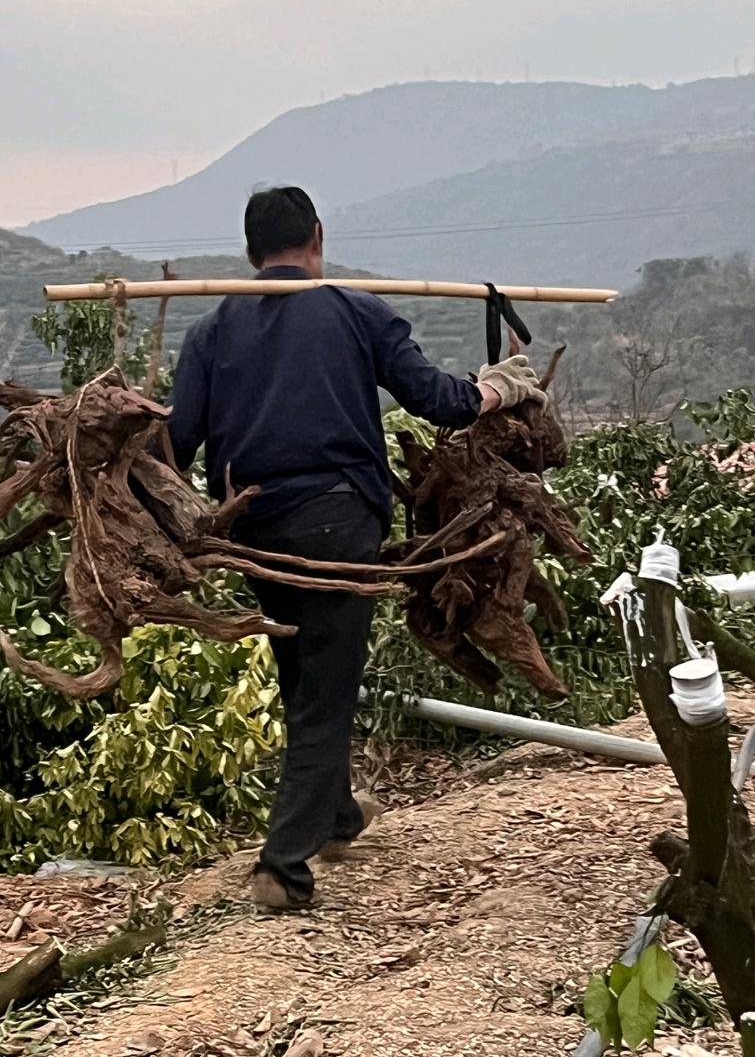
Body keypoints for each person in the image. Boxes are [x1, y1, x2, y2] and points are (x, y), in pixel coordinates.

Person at [167, 186, 541, 908]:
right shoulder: (356, 309)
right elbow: (440, 401)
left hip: (252, 530)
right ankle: (283, 864)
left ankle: (336, 818)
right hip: (338, 524)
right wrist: (500, 388)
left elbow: (173, 445)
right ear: (317, 236)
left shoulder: (211, 330)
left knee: (303, 678)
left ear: (250, 252)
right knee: (327, 688)